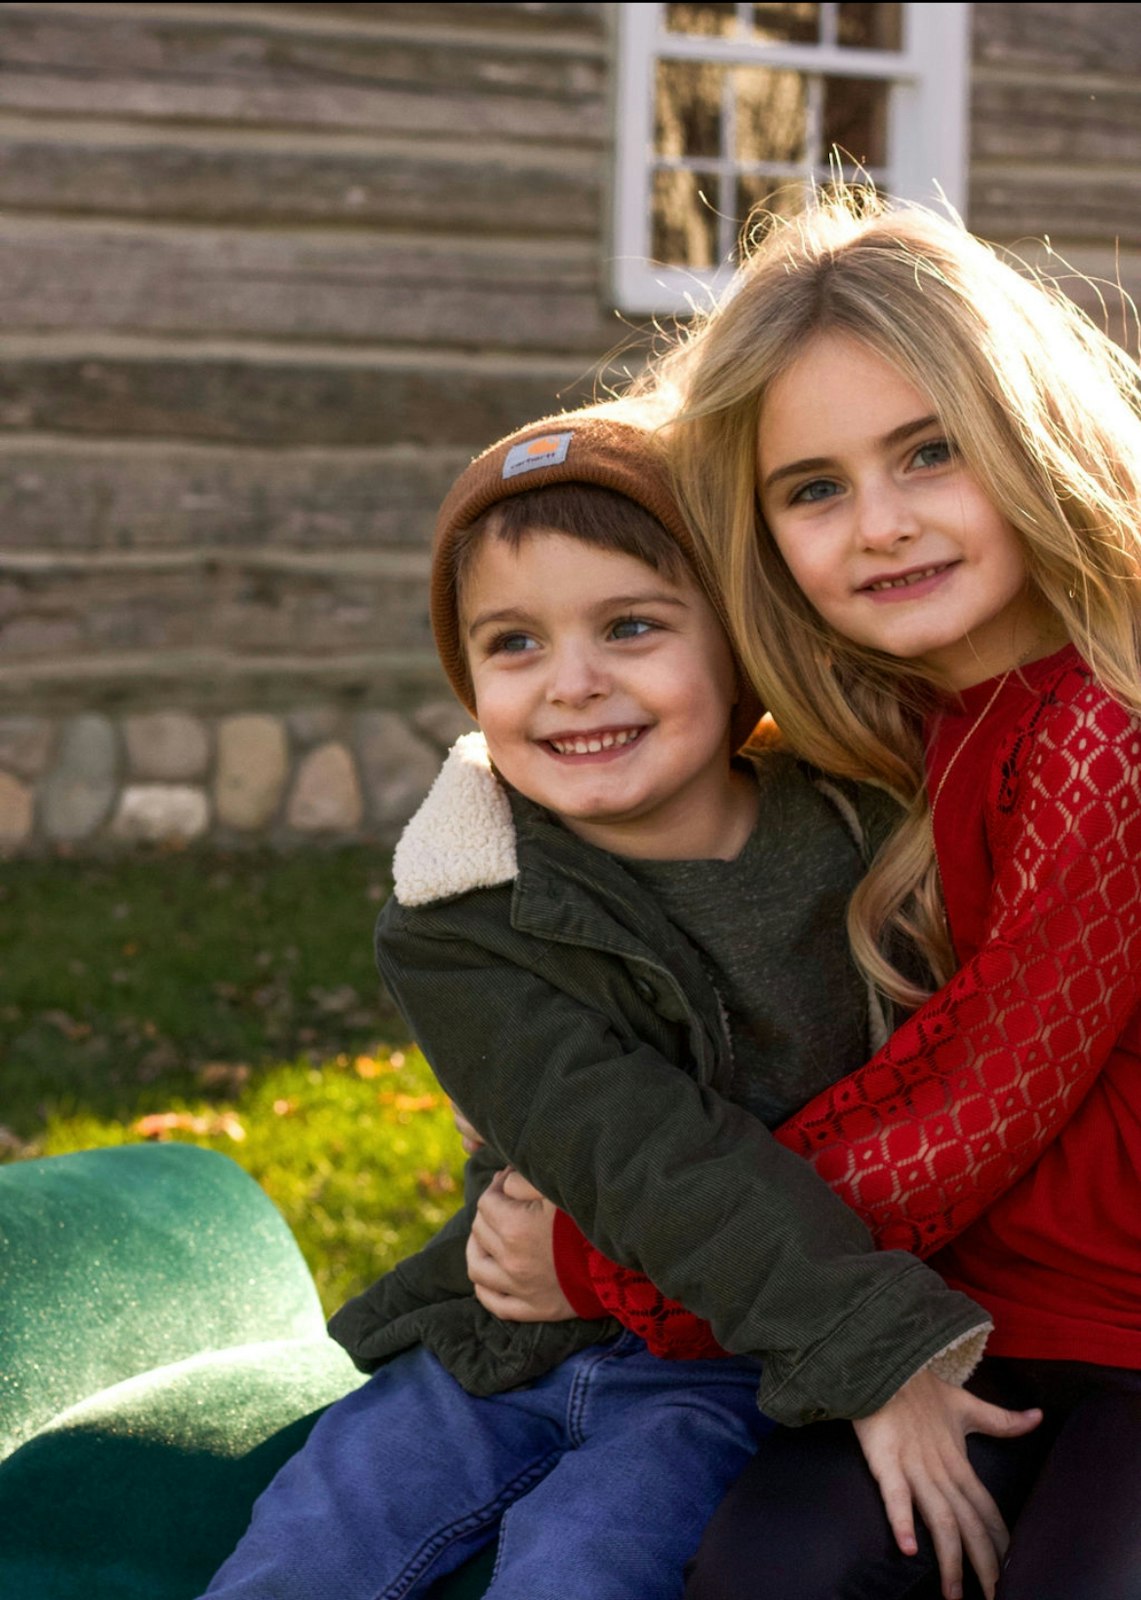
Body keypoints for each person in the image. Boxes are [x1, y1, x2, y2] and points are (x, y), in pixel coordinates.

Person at [199, 405, 1004, 1600]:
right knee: (310, 1542)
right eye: (512, 644)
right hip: (501, 1335)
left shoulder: (865, 842)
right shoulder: (462, 917)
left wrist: (860, 1351)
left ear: (737, 640)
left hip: (730, 1356)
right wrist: (877, 1361)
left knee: (589, 1564)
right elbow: (639, 1150)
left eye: (630, 626)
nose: (572, 685)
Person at [636, 191, 1141, 1599]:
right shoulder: (905, 730)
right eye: (814, 487)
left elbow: (969, 1103)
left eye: (929, 453)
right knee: (771, 1569)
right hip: (982, 1312)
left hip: (1117, 1321)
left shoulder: (1108, 723)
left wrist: (613, 1261)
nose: (882, 524)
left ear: (1026, 436)